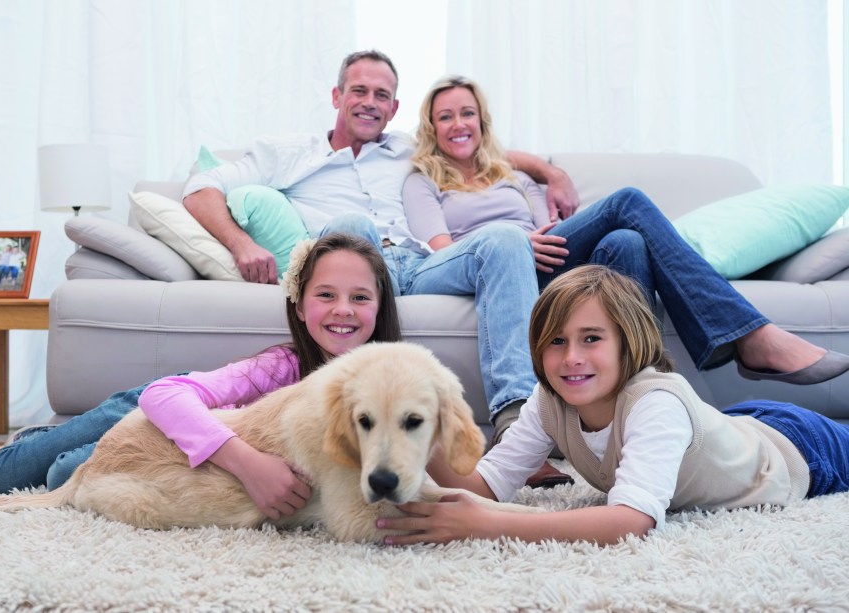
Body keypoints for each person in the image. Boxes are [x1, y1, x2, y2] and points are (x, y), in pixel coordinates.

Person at [181, 50, 578, 487]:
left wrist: (551, 173)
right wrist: (242, 245)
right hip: (358, 267)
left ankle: (516, 432)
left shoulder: (408, 149)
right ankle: (370, 433)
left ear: (394, 108)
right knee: (352, 226)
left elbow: (481, 147)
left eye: (382, 95)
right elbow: (202, 188)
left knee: (505, 238)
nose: (370, 101)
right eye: (359, 91)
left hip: (422, 264)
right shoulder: (287, 153)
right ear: (337, 95)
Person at [401, 74, 849, 447]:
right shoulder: (422, 181)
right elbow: (442, 248)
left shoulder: (515, 178)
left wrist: (534, 226)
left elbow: (546, 229)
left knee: (626, 241)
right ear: (431, 128)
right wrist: (514, 242)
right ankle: (751, 336)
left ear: (482, 122)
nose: (458, 123)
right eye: (445, 116)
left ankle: (639, 404)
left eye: (467, 113)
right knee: (627, 207)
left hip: (547, 263)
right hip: (493, 267)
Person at [376, 265, 849, 546]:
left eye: (592, 339)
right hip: (735, 426)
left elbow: (632, 521)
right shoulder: (548, 400)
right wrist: (420, 425)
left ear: (628, 343)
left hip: (798, 450)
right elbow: (485, 484)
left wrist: (489, 525)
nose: (572, 357)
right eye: (556, 341)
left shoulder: (654, 401)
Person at [0, 233, 401, 519]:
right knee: (9, 475)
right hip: (157, 409)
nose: (343, 309)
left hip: (180, 447)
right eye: (326, 294)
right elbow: (165, 398)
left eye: (360, 297)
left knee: (66, 479)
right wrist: (249, 464)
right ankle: (38, 437)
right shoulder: (279, 368)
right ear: (298, 306)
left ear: (380, 308)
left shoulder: (389, 386)